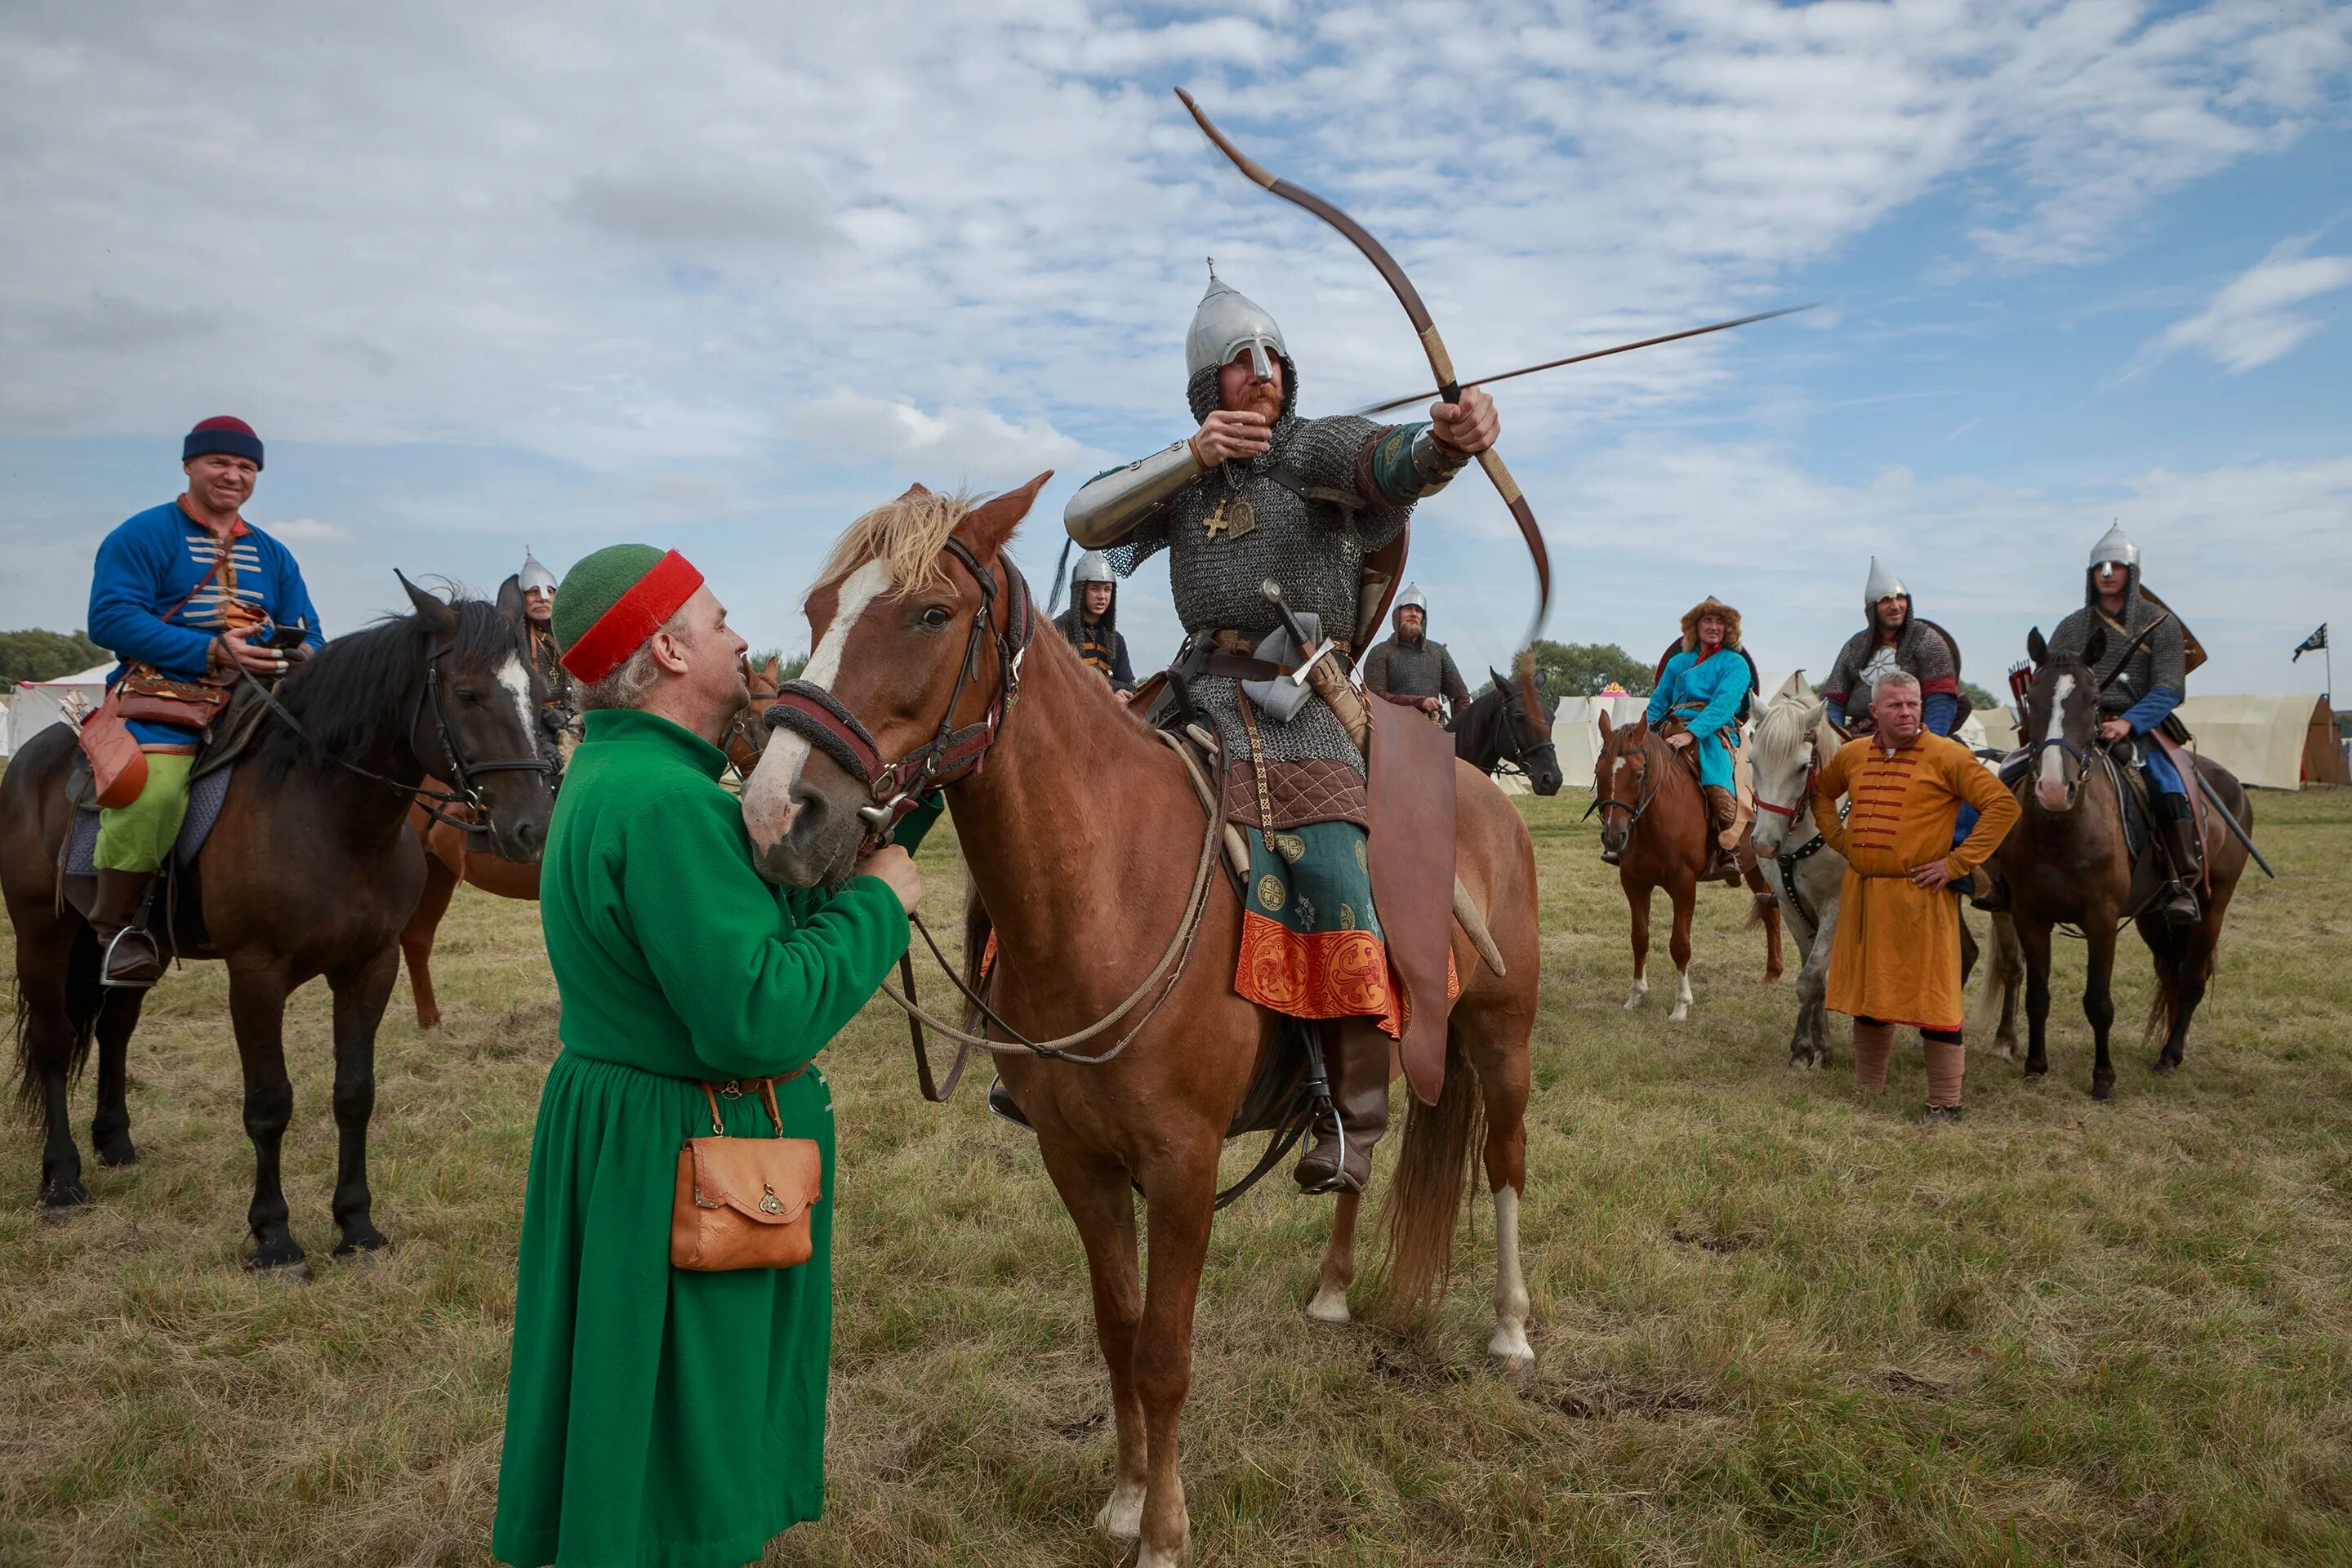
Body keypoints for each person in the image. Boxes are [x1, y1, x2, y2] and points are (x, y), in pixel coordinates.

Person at [490, 544, 936, 1568]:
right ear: (668, 648)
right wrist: (881, 902)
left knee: (622, 1404)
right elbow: (757, 1014)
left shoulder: (612, 771)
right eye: (723, 620)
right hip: (685, 1153)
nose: (743, 640)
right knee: (692, 1428)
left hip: (625, 1132)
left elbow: (730, 930)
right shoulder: (670, 806)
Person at [1060, 263, 1499, 1194]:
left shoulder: (1316, 450)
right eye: (1237, 360)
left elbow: (1396, 461)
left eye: (1270, 355)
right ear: (1206, 385)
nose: (1259, 369)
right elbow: (1085, 517)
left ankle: (1348, 1110)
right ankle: (1045, 1060)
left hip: (1304, 702)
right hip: (1191, 690)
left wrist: (1448, 443)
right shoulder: (1188, 474)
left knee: (1335, 857)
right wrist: (1193, 455)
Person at [83, 416, 323, 986]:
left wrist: (306, 654)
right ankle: (118, 926)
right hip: (167, 688)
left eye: (246, 467)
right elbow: (111, 618)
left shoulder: (273, 552)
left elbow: (311, 628)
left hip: (264, 690)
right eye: (220, 462)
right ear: (190, 465)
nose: (233, 475)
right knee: (156, 792)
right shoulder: (142, 534)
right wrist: (212, 649)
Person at [1810, 670, 2020, 1120]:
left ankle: (1945, 1103)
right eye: (1896, 706)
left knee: (1935, 1002)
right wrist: (1842, 842)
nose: (1906, 713)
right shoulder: (1852, 755)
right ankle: (1869, 1089)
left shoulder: (1947, 756)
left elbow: (2004, 806)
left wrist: (1957, 864)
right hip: (1867, 896)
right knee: (1871, 995)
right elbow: (1822, 795)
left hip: (1922, 899)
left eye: (1913, 705)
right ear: (1875, 712)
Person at [2047, 523, 2202, 924]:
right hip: (2076, 727)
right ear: (2091, 575)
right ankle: (2006, 874)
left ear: (2131, 574)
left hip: (2141, 729)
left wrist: (2129, 723)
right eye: (2101, 567)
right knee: (2017, 776)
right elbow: (2051, 680)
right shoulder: (2070, 627)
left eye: (2116, 566)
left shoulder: (2159, 623)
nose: (2108, 573)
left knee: (2167, 786)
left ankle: (2179, 881)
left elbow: (2169, 688)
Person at [1646, 596, 1750, 880]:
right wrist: (1649, 733)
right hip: (1672, 725)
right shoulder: (1678, 662)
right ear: (1696, 626)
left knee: (1714, 765)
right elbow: (1658, 701)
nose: (1713, 626)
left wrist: (1693, 734)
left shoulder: (1736, 664)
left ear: (1728, 628)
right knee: (1634, 766)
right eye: (1707, 620)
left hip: (1714, 731)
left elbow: (1724, 704)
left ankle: (1727, 847)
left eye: (1719, 621)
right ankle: (1629, 842)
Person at [1820, 557, 1965, 737]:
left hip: (1914, 734)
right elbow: (1832, 701)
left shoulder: (1926, 640)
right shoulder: (1854, 647)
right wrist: (1837, 734)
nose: (1895, 606)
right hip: (1858, 737)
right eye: (1886, 600)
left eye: (1900, 598)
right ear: (1873, 608)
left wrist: (1929, 741)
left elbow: (1941, 698)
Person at [1360, 583, 1470, 719]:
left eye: (1418, 611)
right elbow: (1374, 697)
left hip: (1431, 728)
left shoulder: (1438, 652)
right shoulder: (1380, 652)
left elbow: (1461, 696)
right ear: (1397, 615)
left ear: (1423, 618)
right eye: (1408, 609)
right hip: (1392, 730)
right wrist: (1418, 702)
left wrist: (1461, 731)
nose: (1413, 614)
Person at [1053, 548, 1135, 696]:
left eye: (1107, 589)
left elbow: (1129, 686)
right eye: (1095, 589)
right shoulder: (1058, 631)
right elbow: (1060, 681)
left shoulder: (1116, 640)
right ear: (1081, 591)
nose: (1102, 596)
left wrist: (1119, 693)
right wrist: (1111, 690)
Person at [516, 546, 577, 726]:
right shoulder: (515, 641)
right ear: (522, 598)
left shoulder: (570, 633)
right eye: (533, 592)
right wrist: (542, 714)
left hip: (574, 717)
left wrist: (570, 714)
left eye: (548, 592)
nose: (542, 599)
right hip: (533, 722)